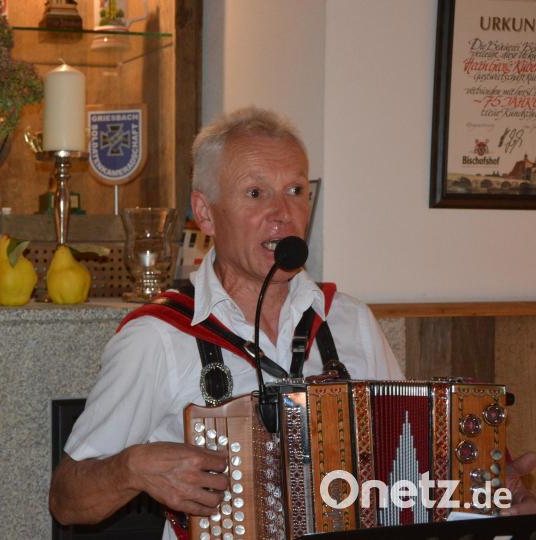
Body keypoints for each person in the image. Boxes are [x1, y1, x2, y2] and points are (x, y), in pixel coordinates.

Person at [49, 107, 536, 536]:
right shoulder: (157, 336)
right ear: (205, 214)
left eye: (296, 191)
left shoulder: (348, 320)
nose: (282, 213)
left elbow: (408, 473)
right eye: (255, 192)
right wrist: (132, 469)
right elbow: (67, 500)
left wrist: (485, 495)